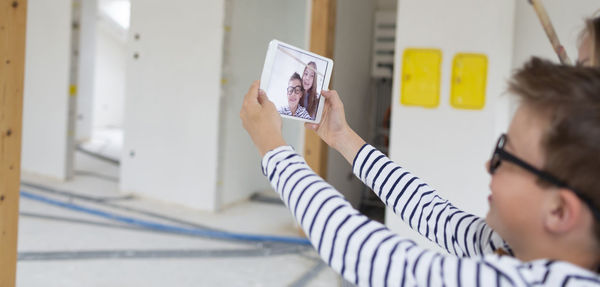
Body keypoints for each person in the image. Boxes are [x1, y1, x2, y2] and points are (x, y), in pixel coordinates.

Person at [241, 57, 600, 286]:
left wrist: (273, 148)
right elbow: (434, 215)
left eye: (507, 155)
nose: (490, 164)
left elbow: (370, 255)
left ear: (558, 211)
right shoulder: (513, 246)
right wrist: (342, 138)